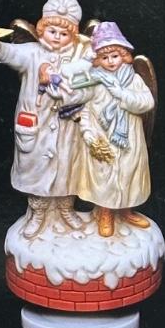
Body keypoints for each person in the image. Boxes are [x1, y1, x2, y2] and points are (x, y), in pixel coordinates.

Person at [0, 0, 91, 237]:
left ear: (73, 35)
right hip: (36, 127)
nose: (57, 37)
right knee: (36, 168)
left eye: (64, 33)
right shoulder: (32, 53)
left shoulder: (80, 58)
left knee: (67, 170)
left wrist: (71, 95)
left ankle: (66, 208)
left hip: (67, 128)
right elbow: (10, 53)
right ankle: (37, 212)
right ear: (42, 30)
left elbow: (88, 85)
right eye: (52, 31)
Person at [60, 22, 155, 237]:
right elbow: (83, 106)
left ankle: (126, 211)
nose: (111, 61)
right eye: (104, 57)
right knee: (104, 178)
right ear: (97, 60)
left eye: (115, 56)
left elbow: (147, 103)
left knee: (129, 174)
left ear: (124, 56)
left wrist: (121, 94)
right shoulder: (93, 81)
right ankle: (105, 213)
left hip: (129, 139)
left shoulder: (133, 79)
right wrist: (89, 134)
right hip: (103, 137)